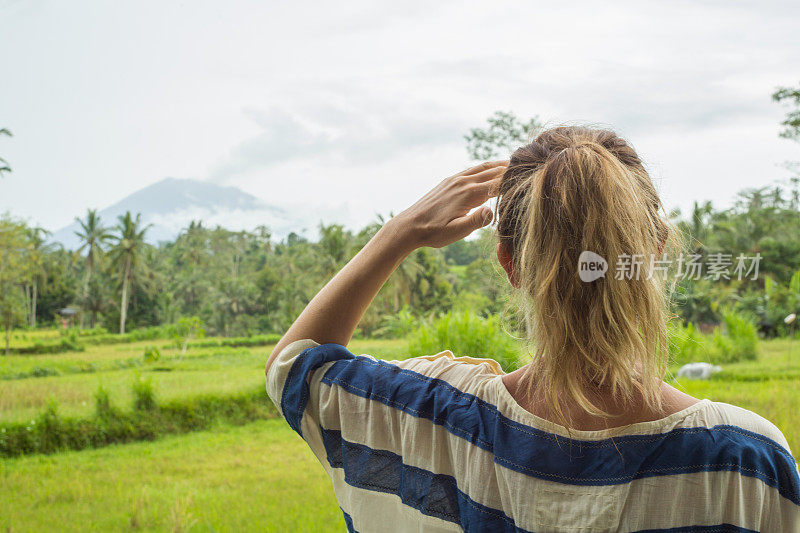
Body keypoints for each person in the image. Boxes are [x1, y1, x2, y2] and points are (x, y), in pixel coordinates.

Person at [265, 126, 800, 532]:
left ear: (509, 264)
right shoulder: (745, 459)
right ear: (654, 254)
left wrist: (398, 233)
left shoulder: (440, 417)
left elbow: (294, 368)